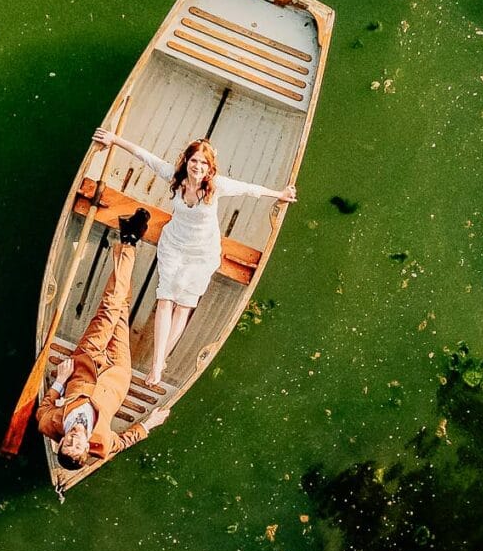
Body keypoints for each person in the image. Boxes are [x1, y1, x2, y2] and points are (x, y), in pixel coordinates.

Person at [92, 128, 297, 391]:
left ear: (210, 168)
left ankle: (159, 362)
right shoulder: (175, 178)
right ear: (186, 161)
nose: (197, 167)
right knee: (165, 299)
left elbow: (248, 189)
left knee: (184, 305)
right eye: (194, 161)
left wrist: (279, 195)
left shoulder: (217, 186)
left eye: (203, 163)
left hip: (202, 253)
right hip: (175, 245)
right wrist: (114, 139)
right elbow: (145, 156)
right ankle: (157, 365)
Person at [36, 207, 172, 469]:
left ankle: (130, 241)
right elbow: (125, 440)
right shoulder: (103, 443)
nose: (74, 438)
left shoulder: (48, 424)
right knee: (120, 306)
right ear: (86, 448)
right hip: (118, 372)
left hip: (86, 359)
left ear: (61, 441)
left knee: (109, 306)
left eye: (67, 442)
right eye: (78, 445)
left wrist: (61, 381)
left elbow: (45, 406)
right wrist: (150, 423)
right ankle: (128, 238)